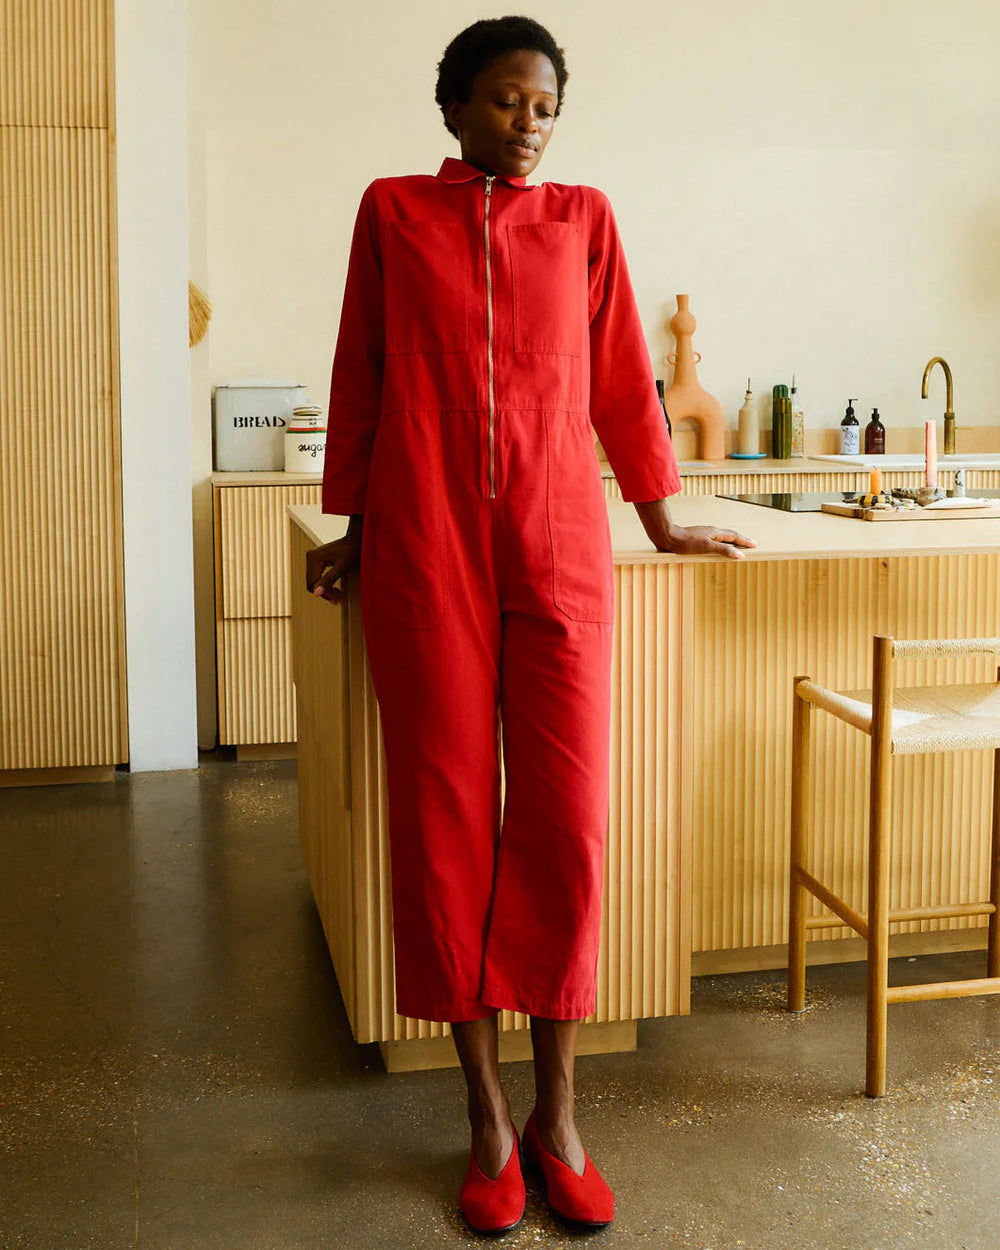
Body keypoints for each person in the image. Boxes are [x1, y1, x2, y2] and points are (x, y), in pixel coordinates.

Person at [306, 15, 755, 1235]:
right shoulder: (393, 212)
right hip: (426, 535)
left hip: (557, 535)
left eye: (545, 103)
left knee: (563, 816)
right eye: (505, 100)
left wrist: (660, 517)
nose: (529, 120)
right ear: (453, 108)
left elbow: (622, 378)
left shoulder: (584, 220)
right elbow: (364, 364)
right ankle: (485, 1116)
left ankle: (560, 1108)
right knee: (444, 811)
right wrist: (351, 518)